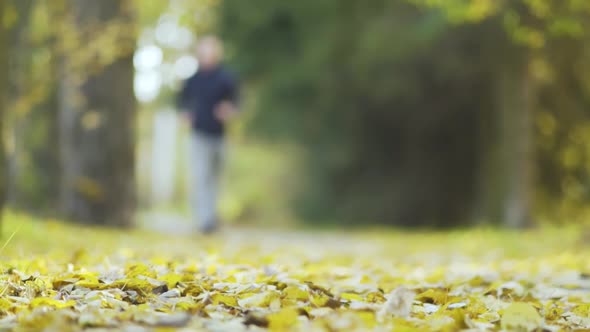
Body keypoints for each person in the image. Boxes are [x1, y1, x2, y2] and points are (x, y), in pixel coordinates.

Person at [177, 36, 239, 234]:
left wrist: (229, 109)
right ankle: (204, 221)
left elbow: (236, 102)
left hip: (219, 135)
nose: (206, 55)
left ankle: (211, 217)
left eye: (210, 50)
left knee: (214, 178)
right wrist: (185, 114)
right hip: (198, 135)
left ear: (216, 53)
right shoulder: (192, 80)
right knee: (201, 176)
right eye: (203, 51)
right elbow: (181, 102)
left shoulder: (226, 78)